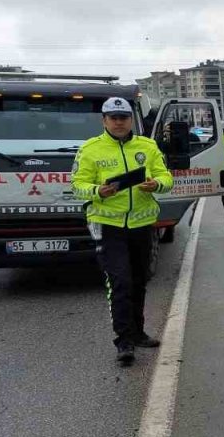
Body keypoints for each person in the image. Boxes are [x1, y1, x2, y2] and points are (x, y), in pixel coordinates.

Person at [72, 97, 175, 365]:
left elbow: (167, 177)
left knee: (139, 281)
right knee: (120, 282)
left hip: (142, 225)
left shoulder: (147, 146)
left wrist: (157, 184)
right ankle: (124, 341)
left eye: (124, 117)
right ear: (104, 120)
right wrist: (97, 191)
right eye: (113, 118)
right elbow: (77, 186)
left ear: (131, 120)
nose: (119, 122)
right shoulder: (90, 149)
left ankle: (138, 332)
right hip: (109, 227)